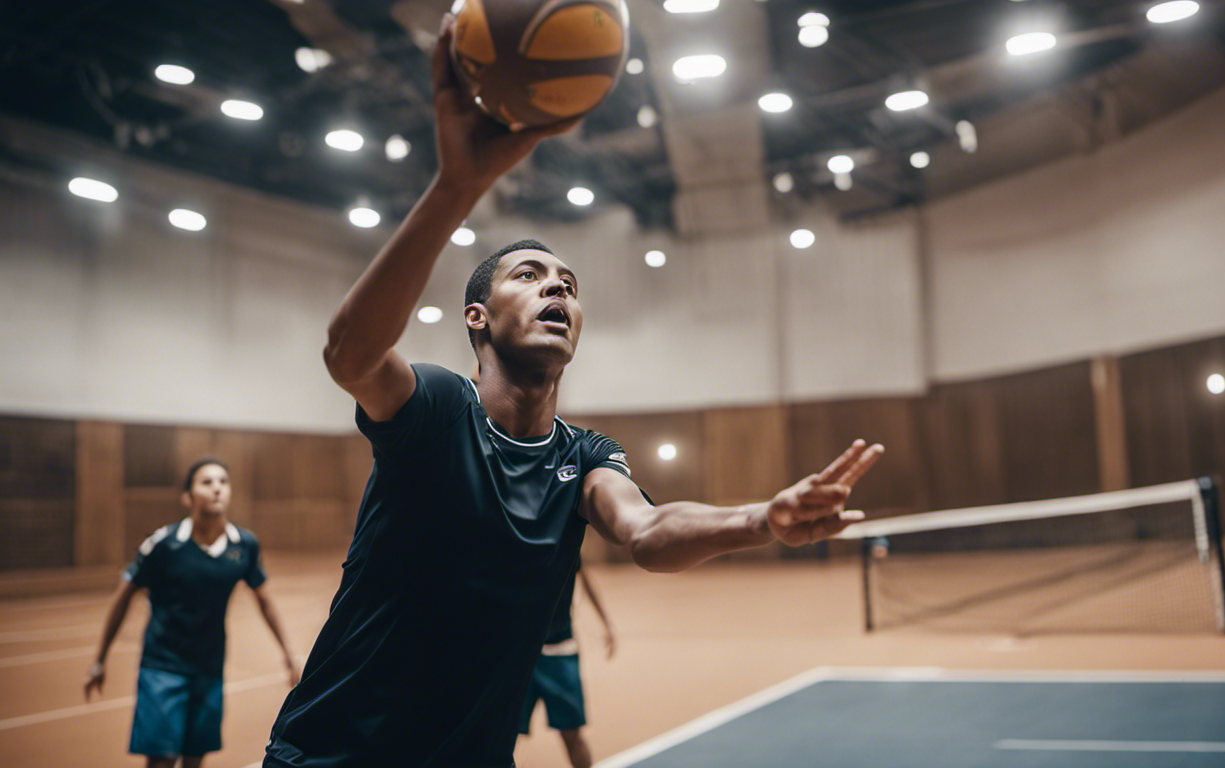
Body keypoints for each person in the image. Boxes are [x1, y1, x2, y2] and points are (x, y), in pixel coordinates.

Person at [262, 13, 884, 768]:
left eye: (569, 283)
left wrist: (760, 518)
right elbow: (350, 352)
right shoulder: (435, 408)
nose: (556, 284)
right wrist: (459, 185)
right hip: (333, 759)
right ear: (478, 317)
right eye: (529, 275)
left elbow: (649, 533)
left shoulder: (584, 456)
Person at [85, 458, 301, 768]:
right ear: (188, 496)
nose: (216, 489)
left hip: (209, 668)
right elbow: (124, 595)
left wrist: (289, 653)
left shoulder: (244, 545)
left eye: (223, 482)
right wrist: (99, 660)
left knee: (194, 760)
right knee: (161, 760)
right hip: (162, 667)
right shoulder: (164, 544)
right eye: (206, 482)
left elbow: (264, 600)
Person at [517, 562, 615, 768]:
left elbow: (585, 576)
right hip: (520, 655)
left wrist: (607, 621)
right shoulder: (510, 540)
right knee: (507, 735)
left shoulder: (562, 535)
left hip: (560, 653)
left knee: (571, 733)